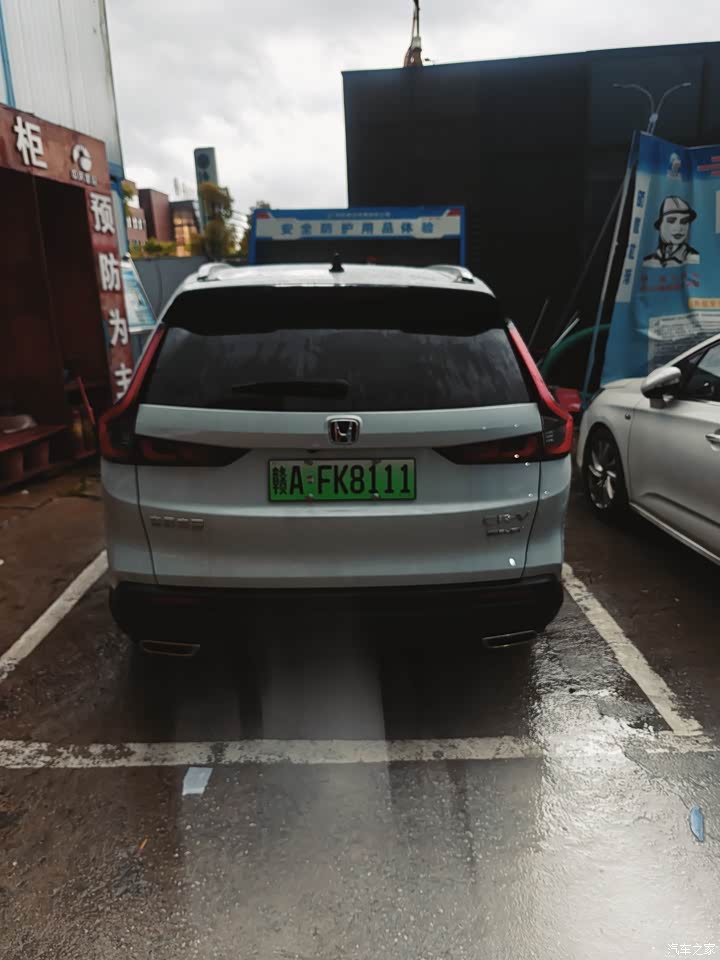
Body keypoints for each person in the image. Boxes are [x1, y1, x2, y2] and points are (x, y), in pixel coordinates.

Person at [643, 196, 699, 268]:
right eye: (671, 221)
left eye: (684, 221)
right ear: (660, 225)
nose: (678, 228)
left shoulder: (694, 258)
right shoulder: (647, 261)